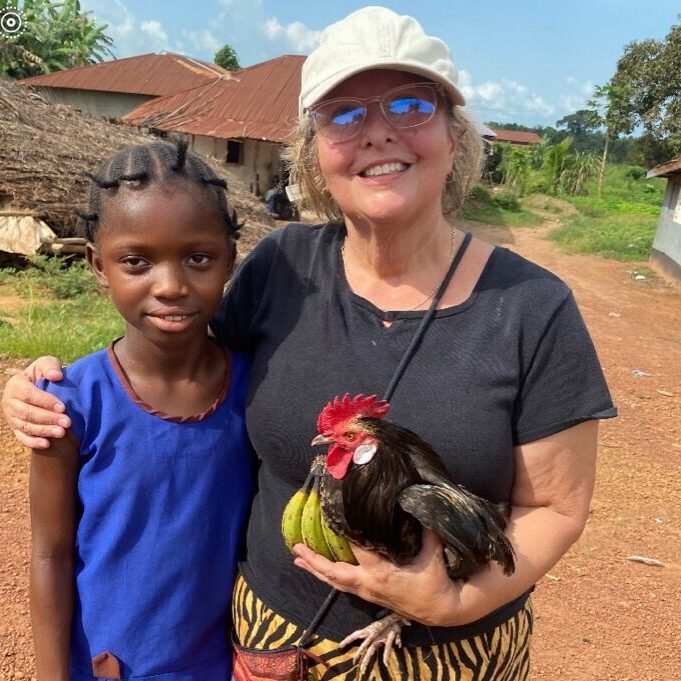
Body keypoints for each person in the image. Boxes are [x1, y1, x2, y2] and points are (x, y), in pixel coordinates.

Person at [3, 7, 616, 680]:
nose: (378, 130)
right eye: (344, 113)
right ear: (315, 149)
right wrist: (42, 383)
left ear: (454, 131)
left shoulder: (534, 307)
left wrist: (455, 597)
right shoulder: (281, 268)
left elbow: (555, 507)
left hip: (455, 656)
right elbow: (177, 352)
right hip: (267, 651)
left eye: (410, 104)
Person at [24, 139, 253, 681]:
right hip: (109, 669)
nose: (171, 285)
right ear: (97, 265)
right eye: (137, 262)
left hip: (228, 666)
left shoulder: (255, 386)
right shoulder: (69, 404)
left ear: (229, 259)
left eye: (198, 258)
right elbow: (50, 556)